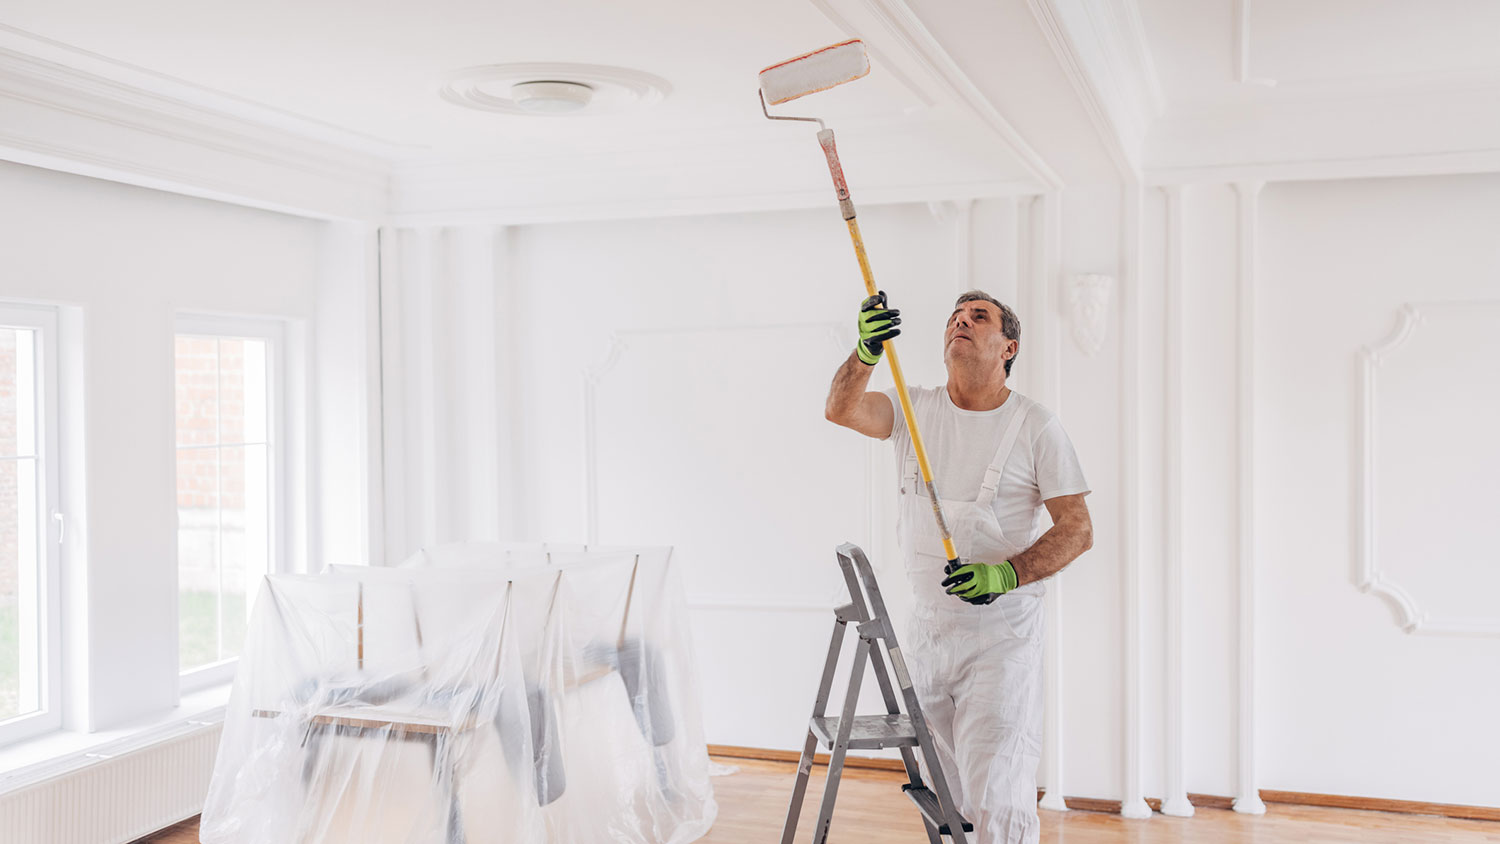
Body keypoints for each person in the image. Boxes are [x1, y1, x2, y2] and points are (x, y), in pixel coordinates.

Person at [824, 289, 1093, 844]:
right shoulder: (913, 411)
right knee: (946, 796)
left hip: (1002, 642)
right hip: (928, 634)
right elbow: (841, 409)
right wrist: (865, 354)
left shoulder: (1036, 426)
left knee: (997, 788)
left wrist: (1007, 574)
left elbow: (1077, 529)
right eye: (954, 316)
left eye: (978, 317)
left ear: (1007, 347)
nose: (959, 323)